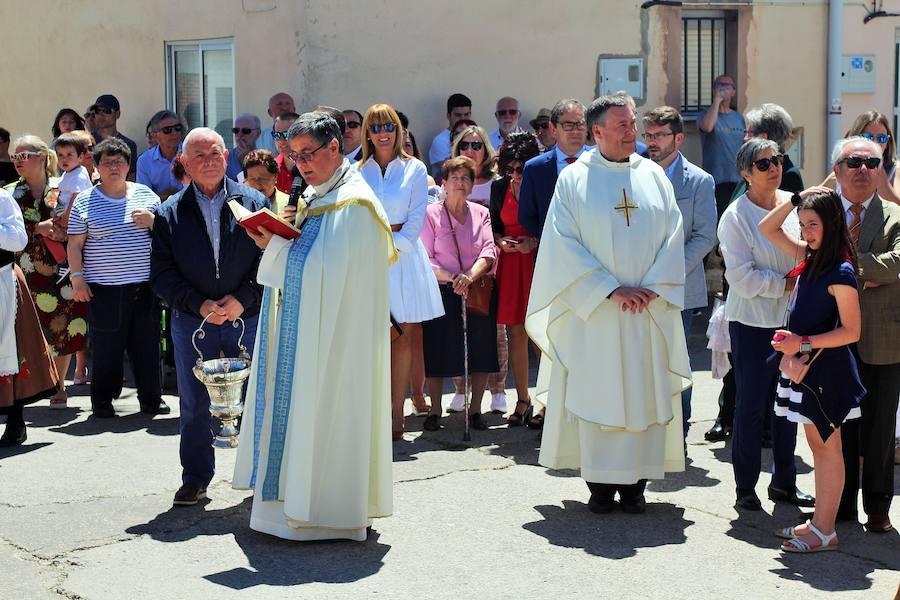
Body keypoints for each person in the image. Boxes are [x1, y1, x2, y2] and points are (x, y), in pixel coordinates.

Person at [232, 111, 395, 541]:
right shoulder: (318, 194)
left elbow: (331, 269)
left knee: (327, 414)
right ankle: (287, 504)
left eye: (308, 154)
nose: (300, 163)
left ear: (335, 148)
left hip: (337, 339)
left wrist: (278, 248)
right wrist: (275, 240)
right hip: (307, 327)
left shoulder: (355, 204)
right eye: (294, 154)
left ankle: (326, 512)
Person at [526, 95, 690, 514]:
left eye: (632, 123)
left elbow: (674, 235)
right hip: (596, 312)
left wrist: (654, 285)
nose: (631, 131)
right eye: (621, 125)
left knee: (642, 393)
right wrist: (608, 288)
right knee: (601, 393)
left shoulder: (654, 176)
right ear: (596, 132)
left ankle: (637, 484)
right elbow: (561, 243)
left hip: (646, 312)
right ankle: (600, 485)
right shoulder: (574, 180)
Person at [150, 127, 268, 507]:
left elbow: (270, 261)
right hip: (193, 322)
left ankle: (260, 475)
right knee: (195, 403)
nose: (209, 161)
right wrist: (198, 304)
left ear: (227, 156)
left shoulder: (253, 202)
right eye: (199, 155)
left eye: (216, 153)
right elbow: (162, 275)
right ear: (184, 162)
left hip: (245, 317)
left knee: (255, 399)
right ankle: (196, 478)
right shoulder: (169, 213)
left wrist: (243, 298)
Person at [759, 188, 864, 552]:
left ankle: (825, 530)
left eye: (813, 224)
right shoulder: (813, 256)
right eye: (803, 224)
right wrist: (796, 199)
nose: (805, 232)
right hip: (807, 371)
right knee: (818, 446)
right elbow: (768, 229)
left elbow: (852, 331)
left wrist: (800, 344)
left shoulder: (841, 269)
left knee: (827, 448)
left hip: (826, 374)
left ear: (832, 223)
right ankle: (820, 523)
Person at [718, 138, 813, 511]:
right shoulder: (736, 215)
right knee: (752, 406)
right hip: (753, 325)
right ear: (745, 173)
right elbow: (741, 278)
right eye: (763, 164)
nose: (774, 167)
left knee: (789, 406)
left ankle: (785, 484)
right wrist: (787, 284)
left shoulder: (793, 202)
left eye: (777, 160)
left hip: (791, 322)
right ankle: (745, 488)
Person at [358, 104, 444, 439]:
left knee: (404, 339)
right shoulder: (356, 170)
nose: (382, 133)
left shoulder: (415, 169)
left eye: (388, 127)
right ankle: (374, 413)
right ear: (368, 132)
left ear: (398, 132)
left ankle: (397, 414)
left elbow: (416, 220)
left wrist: (388, 247)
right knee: (373, 339)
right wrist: (368, 249)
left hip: (403, 259)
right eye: (375, 127)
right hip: (366, 259)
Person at [67, 138, 166, 418]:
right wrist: (77, 278)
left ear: (129, 166)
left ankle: (151, 399)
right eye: (107, 162)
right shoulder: (85, 200)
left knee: (146, 345)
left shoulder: (146, 195)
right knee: (106, 347)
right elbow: (74, 244)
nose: (114, 166)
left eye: (119, 161)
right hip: (103, 287)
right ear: (96, 167)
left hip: (143, 286)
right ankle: (102, 401)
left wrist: (154, 221)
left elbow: (165, 236)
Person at [831, 136, 900, 533]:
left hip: (883, 337)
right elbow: (811, 256)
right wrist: (871, 274)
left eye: (871, 163)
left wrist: (846, 269)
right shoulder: (823, 213)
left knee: (879, 428)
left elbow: (897, 264)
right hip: (834, 336)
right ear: (836, 170)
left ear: (881, 172)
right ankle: (839, 506)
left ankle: (877, 507)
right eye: (853, 162)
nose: (862, 170)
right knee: (838, 426)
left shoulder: (895, 215)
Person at [644, 106, 717, 444]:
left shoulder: (699, 181)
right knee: (642, 361)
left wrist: (666, 273)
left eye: (659, 135)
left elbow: (704, 237)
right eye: (648, 135)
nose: (652, 142)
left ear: (678, 138)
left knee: (677, 363)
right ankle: (647, 430)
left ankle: (679, 433)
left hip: (680, 287)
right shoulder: (635, 174)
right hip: (638, 287)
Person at [6, 135, 87, 409]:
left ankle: (59, 384)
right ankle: (26, 386)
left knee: (64, 325)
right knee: (28, 329)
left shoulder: (62, 187)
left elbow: (80, 222)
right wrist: (37, 229)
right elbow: (6, 233)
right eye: (14, 156)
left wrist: (65, 227)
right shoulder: (9, 193)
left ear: (42, 157)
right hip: (26, 270)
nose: (18, 161)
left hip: (63, 268)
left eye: (23, 155)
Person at [420, 156, 498, 432]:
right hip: (443, 288)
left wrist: (469, 277)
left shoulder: (481, 212)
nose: (461, 183)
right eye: (455, 178)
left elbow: (489, 250)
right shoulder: (431, 215)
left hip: (476, 289)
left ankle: (476, 408)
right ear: (444, 183)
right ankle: (435, 408)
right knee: (438, 348)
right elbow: (425, 258)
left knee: (482, 348)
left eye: (467, 178)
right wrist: (453, 277)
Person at [449, 125, 507, 413]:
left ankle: (498, 389)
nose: (470, 150)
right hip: (455, 269)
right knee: (458, 333)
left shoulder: (497, 183)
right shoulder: (449, 180)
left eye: (476, 145)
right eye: (464, 145)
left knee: (495, 333)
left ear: (486, 149)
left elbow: (502, 223)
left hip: (488, 269)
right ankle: (461, 389)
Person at [0, 187, 60, 446]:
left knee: (13, 350)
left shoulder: (1, 198)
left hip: (2, 281)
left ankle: (15, 422)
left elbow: (17, 240)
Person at [488, 132, 540, 425]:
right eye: (511, 169)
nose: (516, 175)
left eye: (521, 169)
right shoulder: (498, 188)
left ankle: (547, 401)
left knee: (540, 335)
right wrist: (500, 241)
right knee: (515, 333)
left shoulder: (542, 186)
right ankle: (523, 400)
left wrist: (532, 243)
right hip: (510, 265)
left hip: (536, 262)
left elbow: (551, 225)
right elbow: (494, 226)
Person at [518, 99, 588, 239]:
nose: (575, 131)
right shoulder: (535, 168)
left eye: (580, 124)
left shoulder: (600, 163)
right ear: (553, 129)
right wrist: (554, 240)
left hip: (592, 252)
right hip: (552, 252)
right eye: (568, 125)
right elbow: (527, 216)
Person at [821, 110, 900, 206]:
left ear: (888, 143)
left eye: (882, 138)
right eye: (868, 137)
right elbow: (814, 201)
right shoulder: (840, 172)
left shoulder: (895, 170)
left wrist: (881, 180)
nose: (875, 143)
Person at [729, 103, 804, 202]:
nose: (745, 138)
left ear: (763, 138)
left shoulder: (788, 176)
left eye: (749, 133)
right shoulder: (751, 169)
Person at [699, 75, 745, 218]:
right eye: (720, 85)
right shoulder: (705, 115)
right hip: (716, 180)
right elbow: (707, 127)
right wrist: (717, 101)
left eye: (728, 85)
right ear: (714, 89)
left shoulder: (739, 118)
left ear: (734, 92)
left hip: (738, 180)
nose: (724, 88)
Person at [137, 111, 185, 200]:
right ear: (155, 135)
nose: (174, 133)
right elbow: (144, 198)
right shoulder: (144, 161)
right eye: (167, 130)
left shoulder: (191, 154)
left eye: (177, 128)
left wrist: (164, 195)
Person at [89, 94, 138, 180]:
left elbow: (131, 177)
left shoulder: (129, 145)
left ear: (117, 114)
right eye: (97, 111)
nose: (101, 115)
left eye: (106, 111)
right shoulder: (87, 141)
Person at [428, 93, 472, 180]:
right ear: (448, 116)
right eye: (458, 115)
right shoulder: (440, 141)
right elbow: (450, 169)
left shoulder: (475, 136)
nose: (463, 119)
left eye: (466, 115)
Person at [242, 149, 289, 215]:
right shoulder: (240, 207)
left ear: (275, 176)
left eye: (263, 178)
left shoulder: (290, 206)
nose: (257, 184)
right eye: (252, 179)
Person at [226, 113, 261, 180]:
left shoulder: (265, 160)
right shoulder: (225, 159)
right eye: (236, 131)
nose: (239, 135)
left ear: (257, 133)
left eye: (246, 131)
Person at [272, 112, 299, 194]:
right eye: (277, 135)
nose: (281, 140)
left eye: (286, 135)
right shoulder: (270, 168)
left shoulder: (313, 166)